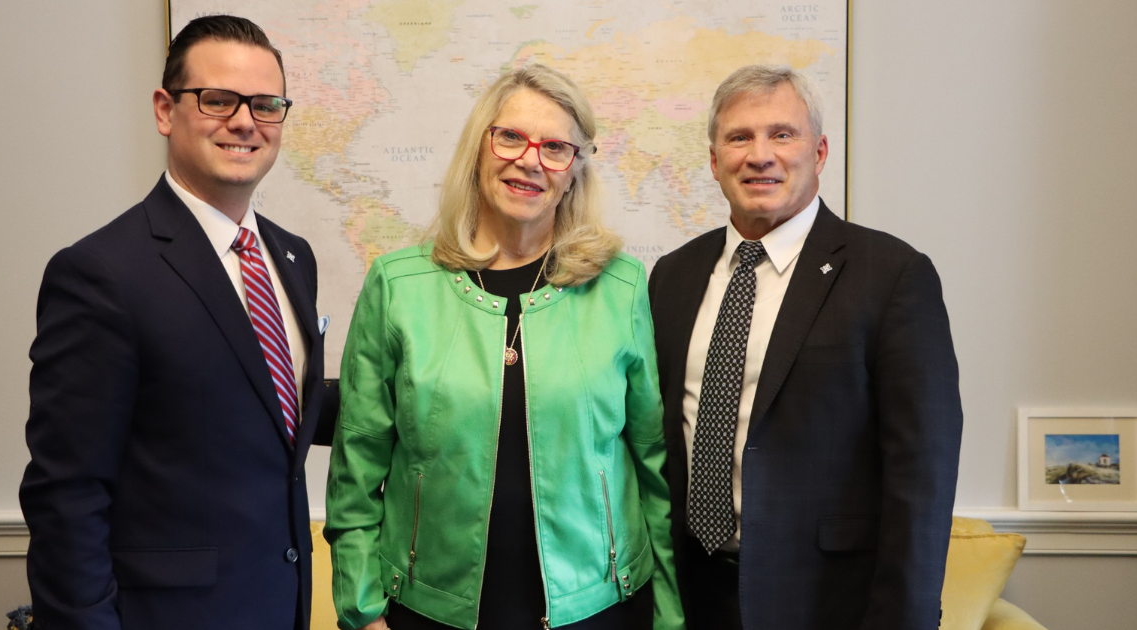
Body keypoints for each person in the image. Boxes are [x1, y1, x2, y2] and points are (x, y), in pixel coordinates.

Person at [325, 64, 683, 630]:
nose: (530, 160)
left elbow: (655, 471)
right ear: (479, 147)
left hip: (599, 608)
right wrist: (362, 611)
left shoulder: (621, 287)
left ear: (574, 172)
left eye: (556, 147)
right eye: (511, 136)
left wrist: (669, 618)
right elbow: (357, 471)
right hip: (428, 610)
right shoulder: (397, 286)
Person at [20, 15, 336, 630]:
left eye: (266, 104)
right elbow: (67, 494)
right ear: (166, 110)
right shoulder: (100, 273)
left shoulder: (294, 256)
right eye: (217, 100)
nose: (245, 121)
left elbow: (271, 411)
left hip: (282, 605)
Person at [648, 65, 963, 629]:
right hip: (690, 597)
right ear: (715, 160)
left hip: (826, 602)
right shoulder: (672, 277)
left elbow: (923, 476)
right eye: (739, 137)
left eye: (782, 134)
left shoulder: (892, 276)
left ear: (818, 153)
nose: (760, 155)